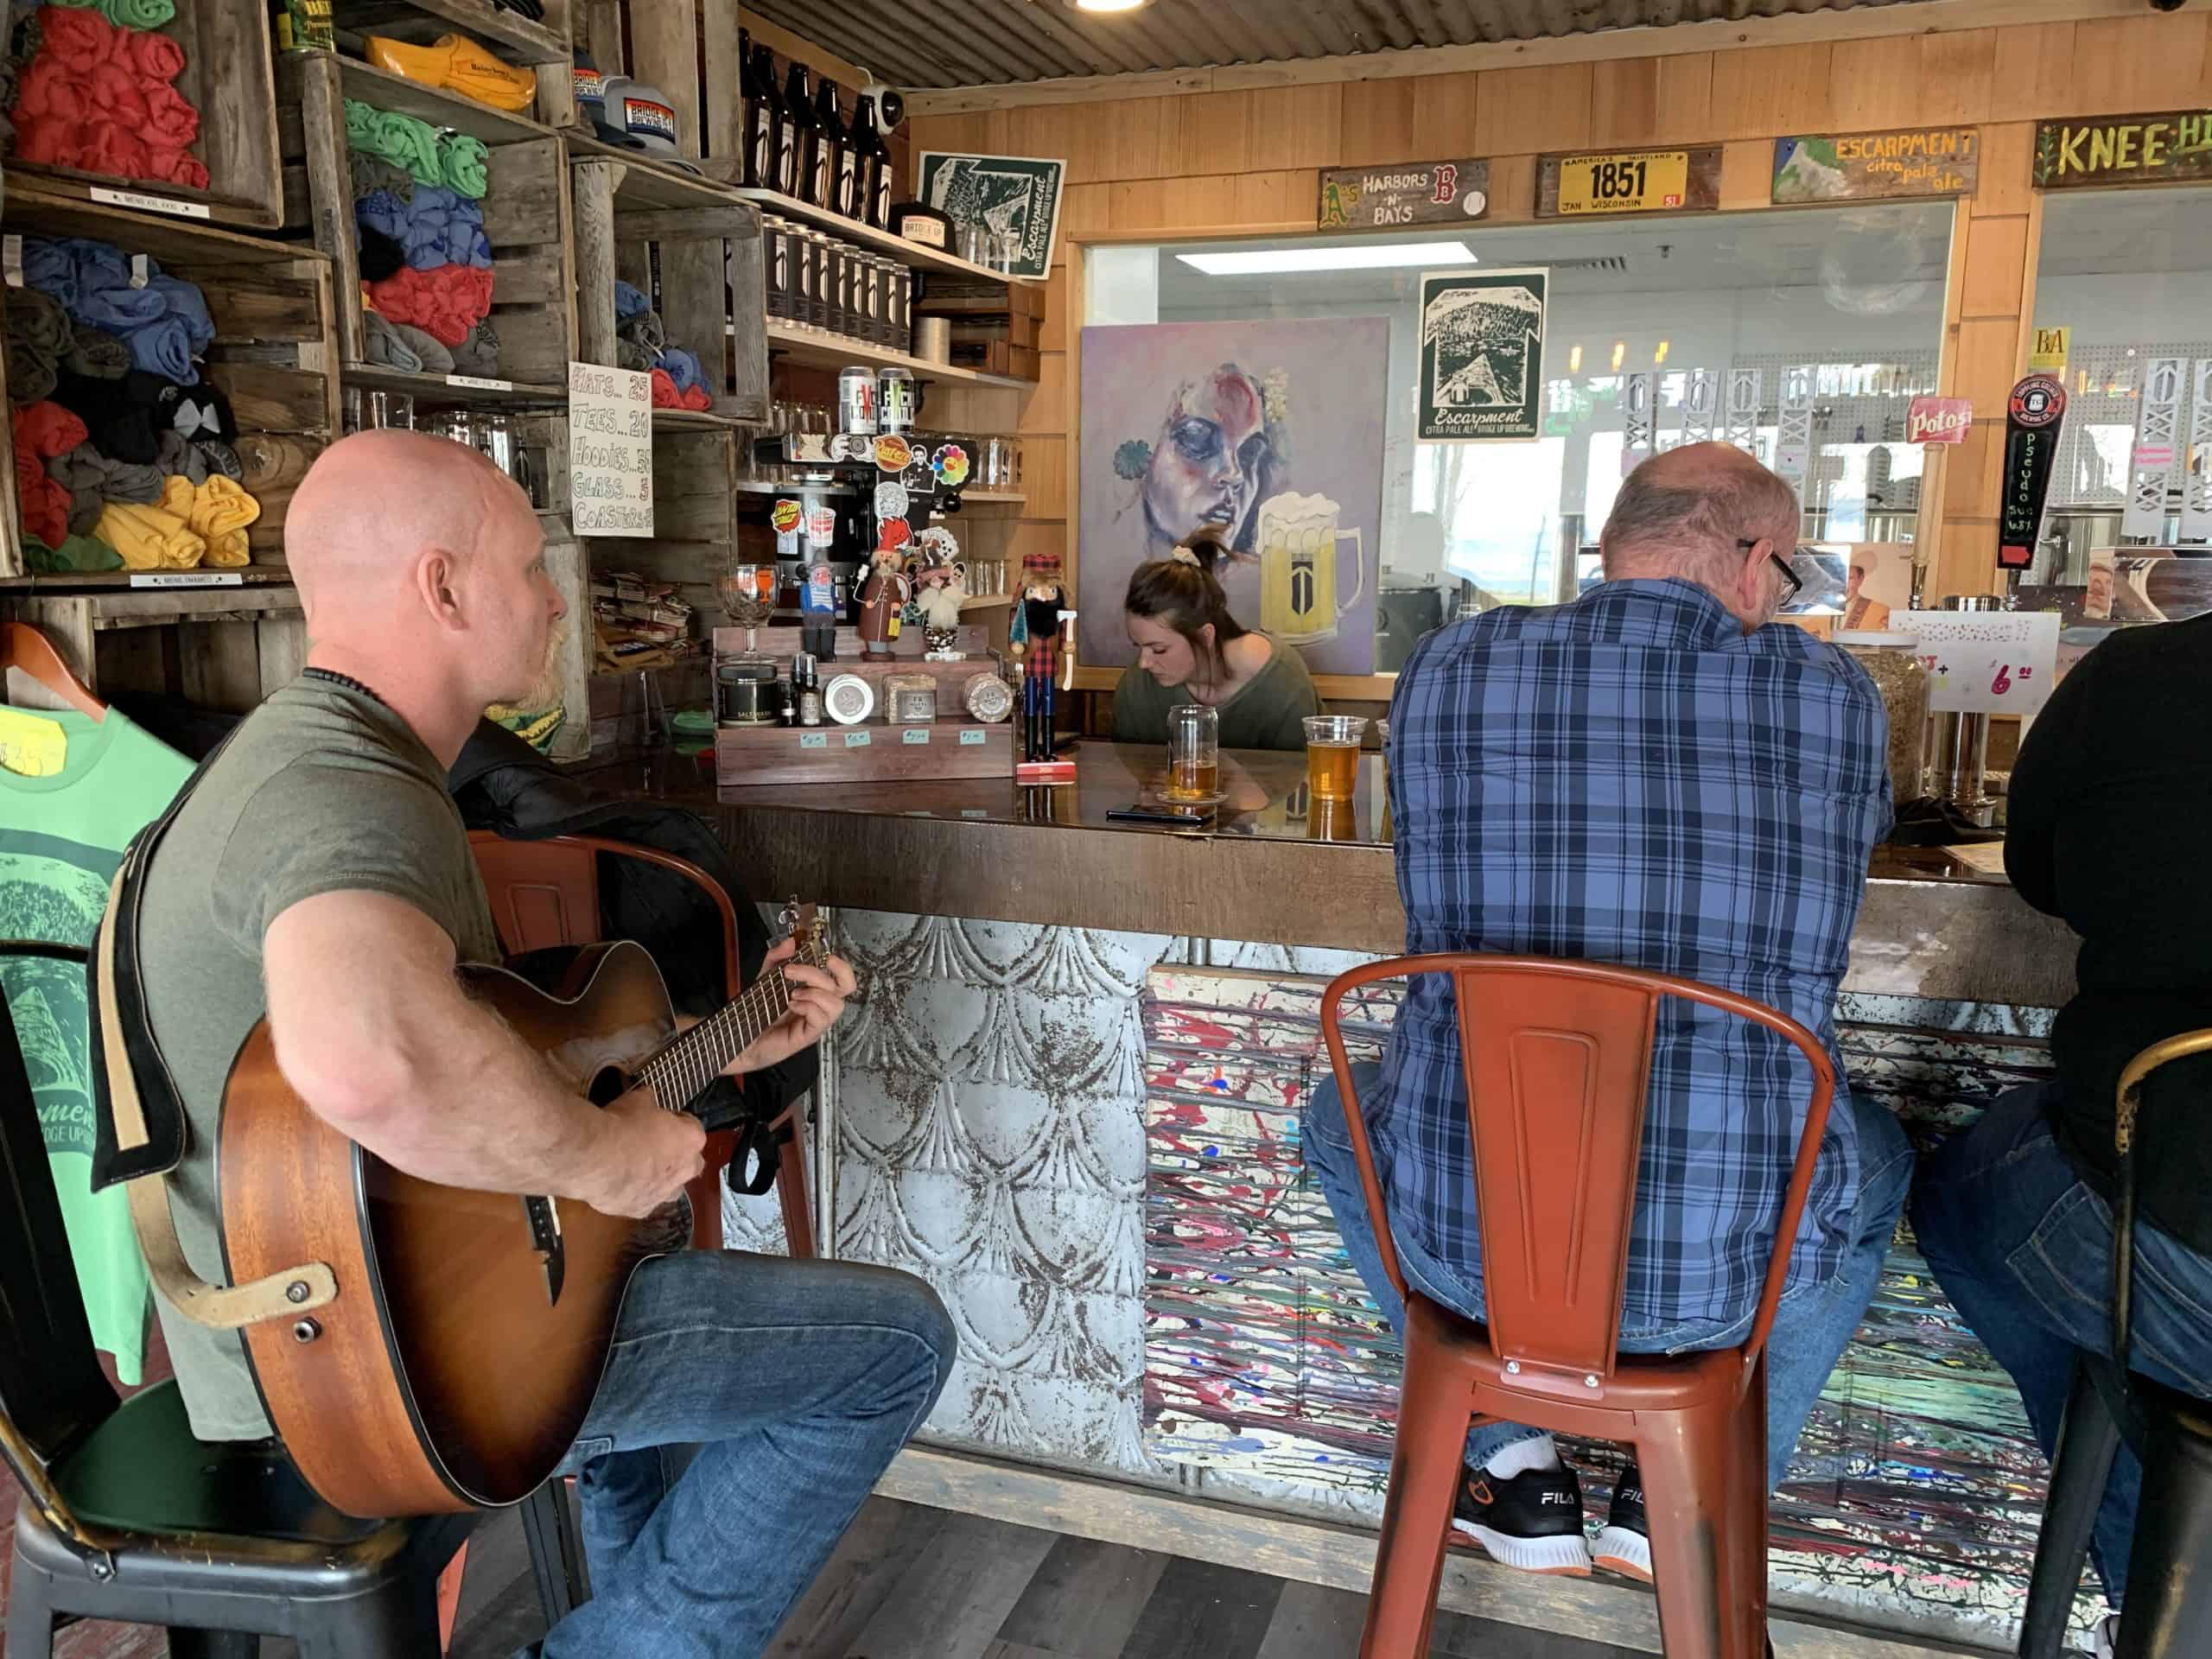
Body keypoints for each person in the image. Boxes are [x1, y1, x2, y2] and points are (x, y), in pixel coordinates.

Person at [132, 431, 956, 1658]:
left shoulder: (317, 755)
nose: (560, 598)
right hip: (365, 1371)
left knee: (636, 1265)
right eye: (532, 567)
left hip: (348, 1322)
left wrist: (724, 1045)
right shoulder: (342, 794)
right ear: (442, 587)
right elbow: (366, 1062)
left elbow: (484, 1054)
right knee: (898, 1344)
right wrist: (596, 1161)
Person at [1304, 442, 1905, 1579]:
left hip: (1469, 1255)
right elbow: (1863, 831)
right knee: (1871, 1155)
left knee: (1338, 1122)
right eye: (1787, 581)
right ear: (1755, 559)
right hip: (1724, 1276)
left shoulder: (1447, 665)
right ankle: (1690, 1489)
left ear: (1613, 548)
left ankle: (1512, 1465)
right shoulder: (1829, 693)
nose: (1780, 602)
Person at [1911, 613, 2212, 1659]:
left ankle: (2160, 1594)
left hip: (2172, 1237)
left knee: (1964, 1199)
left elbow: (2041, 874)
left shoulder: (2143, 676)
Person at [1113, 537, 1320, 752]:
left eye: (1158, 649)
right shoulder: (1135, 689)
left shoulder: (1283, 680)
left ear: (1205, 636)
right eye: (1138, 646)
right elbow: (1125, 776)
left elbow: (1300, 776)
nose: (1144, 663)